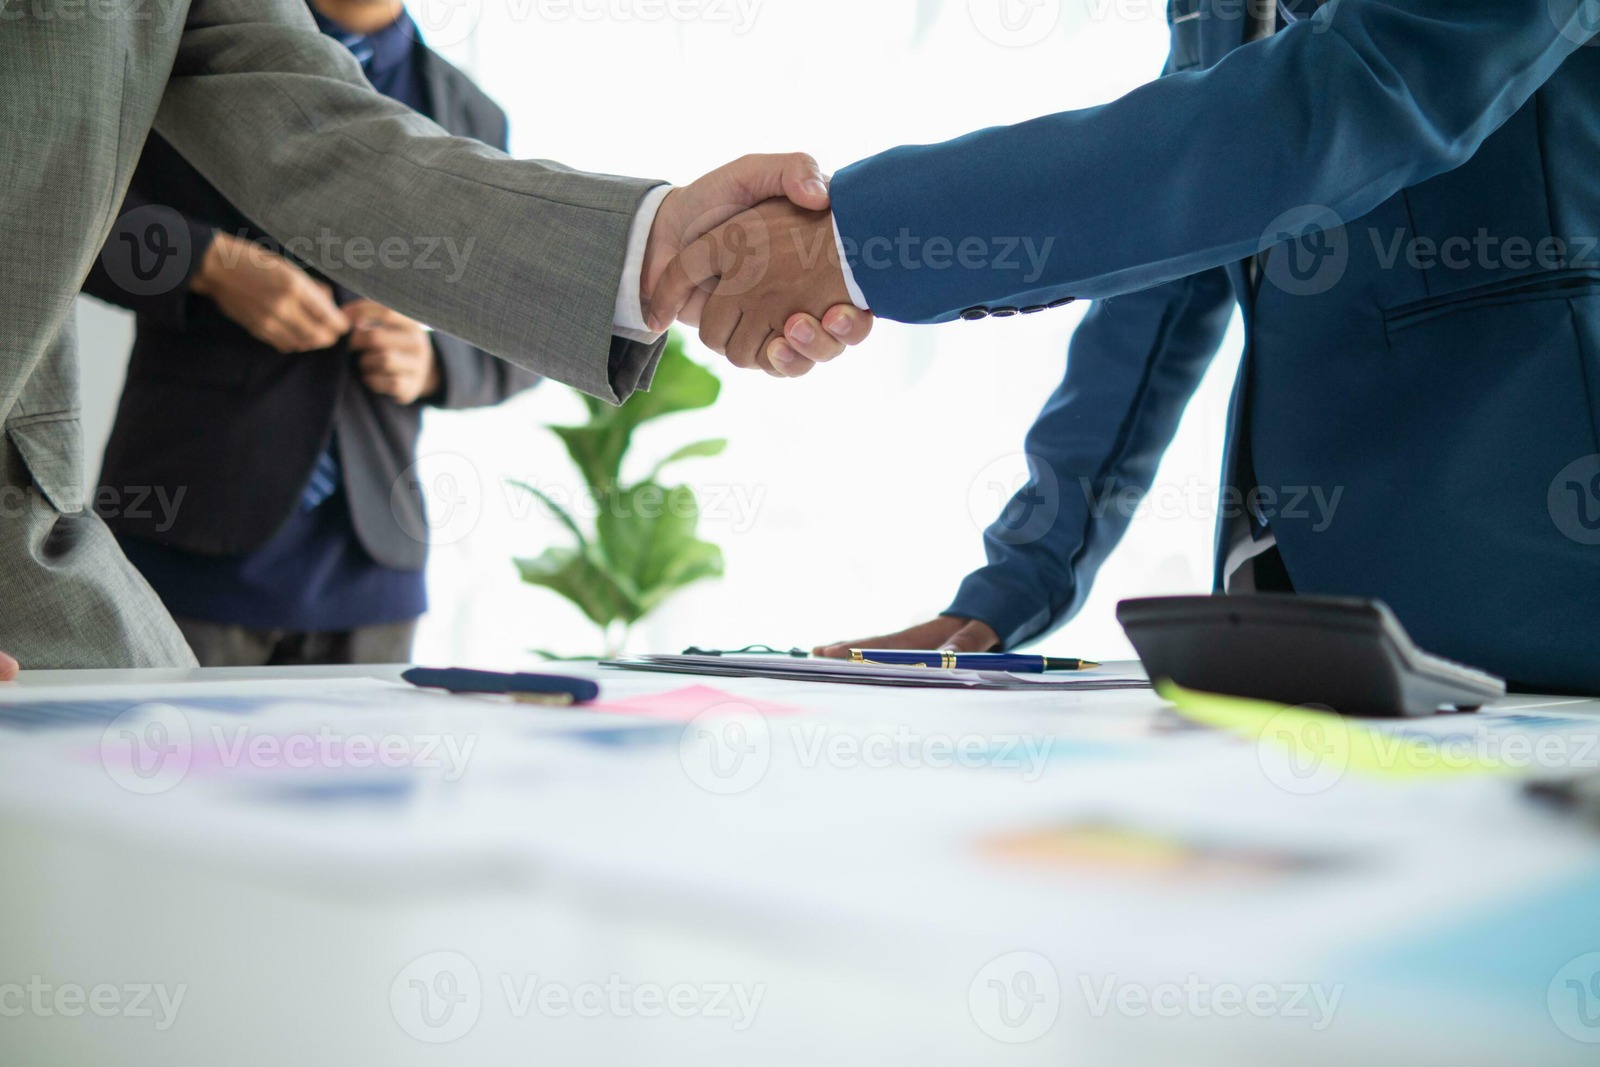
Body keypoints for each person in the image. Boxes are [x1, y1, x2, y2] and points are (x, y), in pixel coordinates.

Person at [654, 0, 1600, 693]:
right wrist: (1015, 583)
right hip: (1317, 647)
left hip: (1550, 627)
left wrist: (859, 240)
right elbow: (1171, 266)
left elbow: (1331, 107)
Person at [0, 0, 869, 674]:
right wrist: (205, 265)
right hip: (190, 511)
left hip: (371, 545)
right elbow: (73, 210)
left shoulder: (463, 105)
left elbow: (340, 156)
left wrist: (650, 252)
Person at [82, 0, 545, 667]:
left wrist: (436, 361)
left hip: (373, 566)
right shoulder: (190, 53)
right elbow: (59, 210)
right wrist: (206, 263)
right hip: (184, 532)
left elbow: (528, 322)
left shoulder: (472, 113)